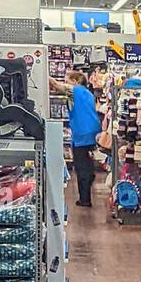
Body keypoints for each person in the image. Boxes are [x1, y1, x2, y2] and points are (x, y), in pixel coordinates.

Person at [48, 70, 101, 207]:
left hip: (82, 131)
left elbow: (55, 84)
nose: (66, 83)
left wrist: (39, 68)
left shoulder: (75, 90)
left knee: (81, 166)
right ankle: (89, 179)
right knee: (87, 163)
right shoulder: (87, 93)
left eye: (68, 81)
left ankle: (85, 199)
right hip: (92, 129)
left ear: (76, 81)